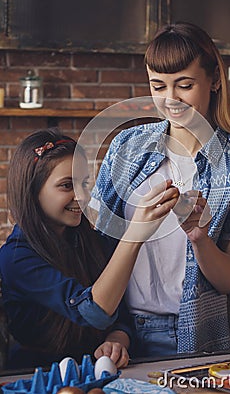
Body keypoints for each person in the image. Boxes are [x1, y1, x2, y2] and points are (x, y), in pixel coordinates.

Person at [91, 22, 230, 358]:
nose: (170, 99)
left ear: (215, 80)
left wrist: (199, 235)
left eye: (184, 85)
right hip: (119, 335)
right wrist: (114, 329)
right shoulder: (125, 147)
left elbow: (229, 280)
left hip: (193, 335)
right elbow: (95, 248)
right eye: (158, 86)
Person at [0, 128, 179, 369]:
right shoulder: (16, 257)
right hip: (36, 378)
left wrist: (117, 339)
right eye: (66, 185)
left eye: (85, 184)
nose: (82, 196)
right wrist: (135, 234)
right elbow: (94, 311)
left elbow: (119, 314)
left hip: (94, 374)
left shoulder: (93, 242)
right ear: (32, 191)